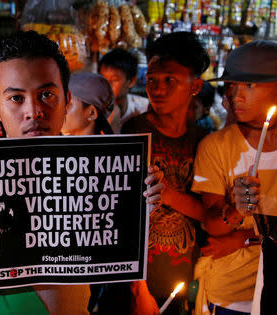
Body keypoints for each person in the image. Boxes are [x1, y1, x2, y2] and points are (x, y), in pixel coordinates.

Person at [0, 31, 165, 314]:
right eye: (16, 98)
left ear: (66, 101)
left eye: (47, 95)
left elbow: (115, 244)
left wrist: (141, 205)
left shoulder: (96, 172)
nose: (33, 110)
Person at [120, 31, 210, 314]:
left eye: (170, 80)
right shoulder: (134, 132)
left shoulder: (203, 140)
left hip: (186, 276)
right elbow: (122, 218)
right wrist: (138, 289)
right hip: (139, 282)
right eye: (152, 81)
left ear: (195, 86)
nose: (157, 90)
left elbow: (207, 213)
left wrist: (169, 195)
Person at [192, 40, 277, 315]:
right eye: (230, 86)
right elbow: (213, 226)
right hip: (231, 294)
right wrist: (236, 210)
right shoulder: (215, 147)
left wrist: (245, 240)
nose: (235, 96)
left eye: (249, 86)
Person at [99, 48, 149, 133]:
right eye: (103, 79)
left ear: (131, 81)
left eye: (114, 80)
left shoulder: (144, 108)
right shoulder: (92, 111)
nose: (107, 85)